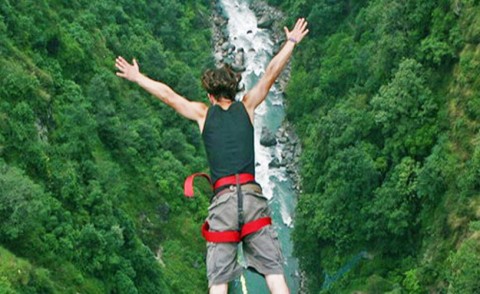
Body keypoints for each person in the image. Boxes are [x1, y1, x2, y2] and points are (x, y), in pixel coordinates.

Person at [115, 18, 309, 294]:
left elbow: (169, 96)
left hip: (225, 202)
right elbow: (270, 74)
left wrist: (137, 77)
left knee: (218, 281)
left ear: (209, 94)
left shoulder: (203, 114)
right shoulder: (248, 106)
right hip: (253, 199)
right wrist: (290, 43)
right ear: (234, 90)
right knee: (274, 273)